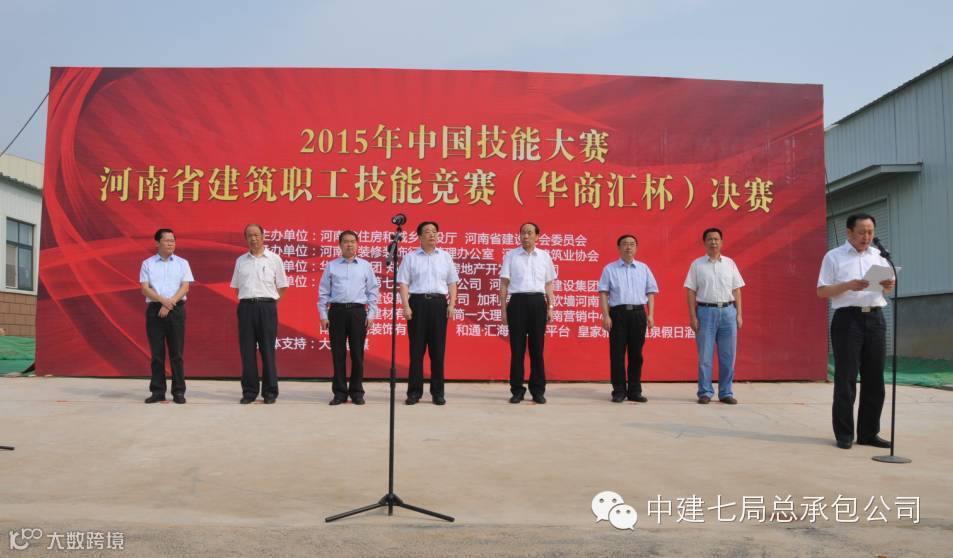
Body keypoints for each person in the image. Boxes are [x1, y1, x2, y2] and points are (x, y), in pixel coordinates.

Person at [817, 213, 895, 450]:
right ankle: (844, 434)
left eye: (870, 232)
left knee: (874, 379)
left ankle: (869, 433)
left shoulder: (879, 256)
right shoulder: (834, 256)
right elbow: (821, 291)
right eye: (861, 232)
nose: (866, 237)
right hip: (848, 320)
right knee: (846, 378)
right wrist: (848, 285)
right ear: (849, 232)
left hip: (875, 318)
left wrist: (888, 285)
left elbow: (887, 289)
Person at [397, 221, 459, 405]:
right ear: (419, 236)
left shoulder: (445, 257)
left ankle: (437, 393)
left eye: (434, 231)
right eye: (427, 231)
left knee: (437, 351)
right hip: (417, 304)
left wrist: (452, 304)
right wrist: (406, 306)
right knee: (416, 351)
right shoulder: (410, 257)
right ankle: (414, 393)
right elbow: (403, 283)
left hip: (439, 304)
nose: (432, 234)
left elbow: (452, 283)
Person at [684, 227, 745, 405]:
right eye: (710, 239)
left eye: (716, 239)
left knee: (728, 356)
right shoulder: (697, 265)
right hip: (705, 312)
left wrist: (739, 314)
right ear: (704, 243)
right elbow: (691, 291)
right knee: (705, 356)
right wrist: (692, 316)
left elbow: (737, 290)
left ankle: (726, 392)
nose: (713, 242)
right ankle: (705, 392)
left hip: (728, 312)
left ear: (722, 242)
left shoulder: (730, 263)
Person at [318, 230, 379, 405]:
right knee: (338, 354)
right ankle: (339, 393)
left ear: (357, 244)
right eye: (346, 241)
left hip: (358, 312)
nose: (349, 244)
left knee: (357, 354)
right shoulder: (331, 266)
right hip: (336, 312)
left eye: (353, 241)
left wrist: (371, 314)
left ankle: (357, 392)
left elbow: (372, 291)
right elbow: (323, 291)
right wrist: (323, 314)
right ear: (340, 245)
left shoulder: (365, 266)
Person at [230, 224, 288, 404]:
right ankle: (249, 392)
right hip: (246, 307)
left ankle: (270, 392)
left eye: (256, 235)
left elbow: (282, 286)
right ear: (246, 238)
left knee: (267, 351)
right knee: (247, 351)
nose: (253, 238)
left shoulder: (274, 259)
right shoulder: (241, 261)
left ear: (263, 236)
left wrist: (270, 303)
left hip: (267, 308)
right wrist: (249, 301)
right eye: (249, 236)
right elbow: (237, 287)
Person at [500, 222, 556, 404]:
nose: (525, 236)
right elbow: (504, 284)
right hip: (517, 303)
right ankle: (517, 390)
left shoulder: (544, 256)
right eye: (523, 233)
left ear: (537, 236)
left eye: (529, 233)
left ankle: (538, 390)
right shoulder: (511, 256)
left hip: (538, 303)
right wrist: (503, 309)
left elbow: (549, 284)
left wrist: (551, 307)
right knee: (517, 350)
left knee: (537, 350)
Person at [598, 234, 658, 403]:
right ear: (619, 248)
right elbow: (603, 293)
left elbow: (650, 293)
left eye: (632, 244)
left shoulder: (643, 268)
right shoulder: (610, 269)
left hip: (638, 314)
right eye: (624, 244)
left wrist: (650, 314)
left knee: (636, 354)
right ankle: (618, 391)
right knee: (617, 354)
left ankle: (634, 391)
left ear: (636, 248)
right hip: (618, 314)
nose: (628, 247)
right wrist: (606, 315)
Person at [140, 228, 194, 404]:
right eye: (167, 240)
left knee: (176, 354)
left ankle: (178, 392)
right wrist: (163, 301)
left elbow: (185, 287)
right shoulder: (147, 263)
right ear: (157, 243)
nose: (171, 243)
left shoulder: (182, 263)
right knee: (157, 354)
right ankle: (158, 391)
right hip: (155, 310)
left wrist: (170, 304)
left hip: (176, 309)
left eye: (173, 240)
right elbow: (145, 289)